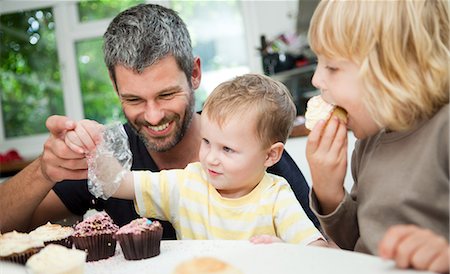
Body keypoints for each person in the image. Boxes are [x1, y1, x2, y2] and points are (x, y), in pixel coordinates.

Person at [0, 3, 319, 238]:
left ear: (194, 73)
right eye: (134, 99)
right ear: (115, 88)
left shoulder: (257, 155)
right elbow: (10, 228)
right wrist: (44, 169)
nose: (153, 116)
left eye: (166, 95)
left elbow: (318, 254)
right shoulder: (114, 154)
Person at [66, 74, 326, 245]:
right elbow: (118, 183)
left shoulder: (276, 196)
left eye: (227, 150)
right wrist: (94, 146)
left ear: (270, 155)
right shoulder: (188, 182)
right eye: (206, 142)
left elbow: (319, 251)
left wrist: (288, 252)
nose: (211, 158)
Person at [305, 0, 449, 274]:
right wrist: (329, 192)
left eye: (332, 67)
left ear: (395, 68)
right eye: (317, 62)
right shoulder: (369, 144)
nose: (316, 80)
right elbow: (358, 245)